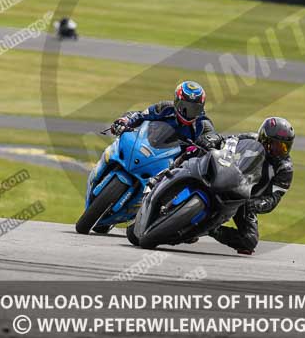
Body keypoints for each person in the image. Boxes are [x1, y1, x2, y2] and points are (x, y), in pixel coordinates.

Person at [208, 116, 294, 255]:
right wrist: (214, 140)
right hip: (226, 176)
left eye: (284, 147)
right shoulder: (250, 138)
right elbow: (227, 141)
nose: (280, 150)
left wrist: (254, 204)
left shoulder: (285, 169)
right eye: (276, 145)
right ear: (264, 139)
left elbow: (274, 199)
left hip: (245, 198)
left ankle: (210, 229)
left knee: (249, 241)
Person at [110, 80, 215, 144]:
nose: (188, 113)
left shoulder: (203, 124)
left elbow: (214, 139)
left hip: (176, 167)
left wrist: (212, 141)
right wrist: (125, 121)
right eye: (185, 107)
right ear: (176, 102)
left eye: (194, 109)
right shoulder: (165, 108)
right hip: (149, 149)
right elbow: (141, 115)